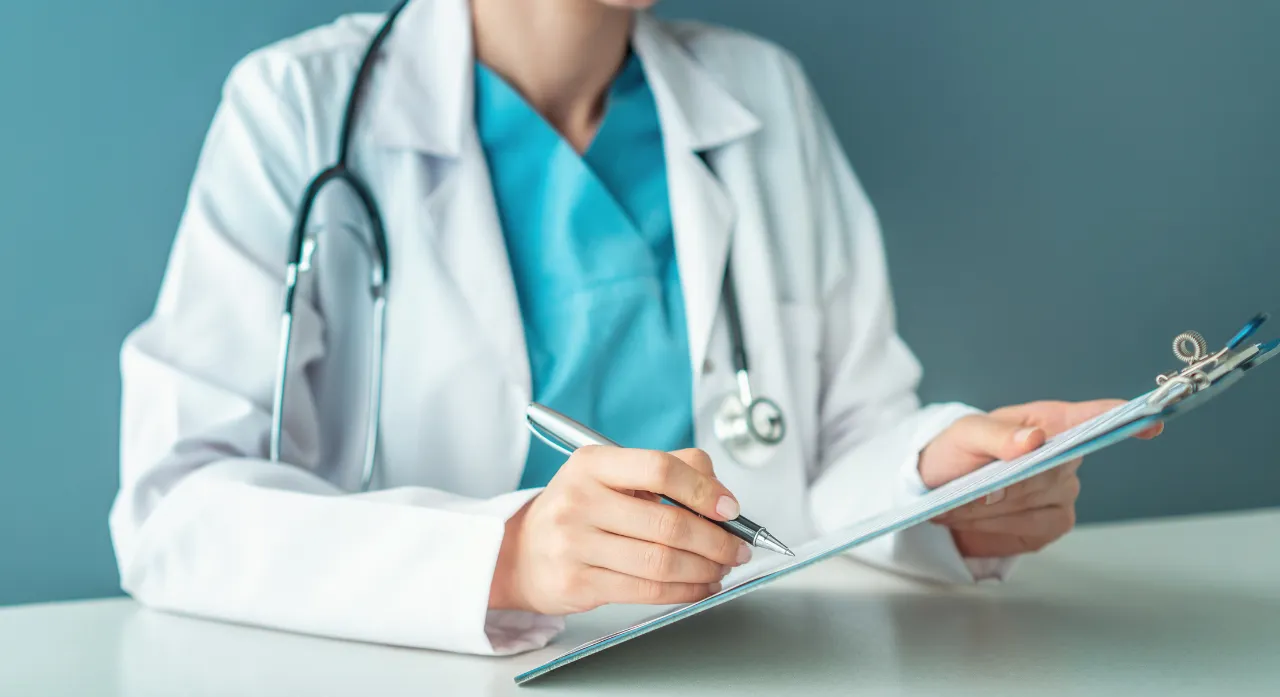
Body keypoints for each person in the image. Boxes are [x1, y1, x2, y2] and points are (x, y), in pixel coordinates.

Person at [111, 0, 1158, 656]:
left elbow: (836, 450)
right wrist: (507, 557)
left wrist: (941, 484)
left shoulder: (761, 95)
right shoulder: (295, 106)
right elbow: (174, 513)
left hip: (760, 673)